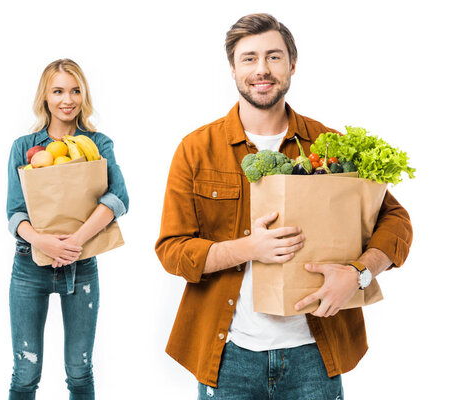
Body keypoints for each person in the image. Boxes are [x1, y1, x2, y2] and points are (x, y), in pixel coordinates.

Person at [155, 13, 412, 399]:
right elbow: (172, 250)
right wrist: (248, 249)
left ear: (292, 64)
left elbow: (396, 220)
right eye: (249, 58)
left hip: (314, 353)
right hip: (228, 355)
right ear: (232, 68)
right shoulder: (195, 149)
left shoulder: (326, 144)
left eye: (274, 57)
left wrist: (358, 274)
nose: (262, 69)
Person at [6, 58, 128, 400]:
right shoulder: (23, 147)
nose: (67, 99)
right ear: (45, 96)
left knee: (79, 371)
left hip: (82, 265)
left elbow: (119, 198)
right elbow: (15, 213)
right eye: (58, 91)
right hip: (29, 268)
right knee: (26, 372)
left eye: (75, 91)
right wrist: (43, 242)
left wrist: (73, 242)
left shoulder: (98, 144)